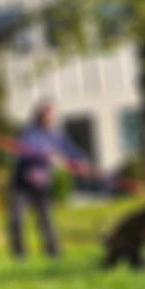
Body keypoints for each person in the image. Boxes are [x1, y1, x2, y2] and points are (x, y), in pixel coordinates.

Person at [9, 100, 90, 259]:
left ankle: (53, 251)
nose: (52, 118)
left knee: (46, 218)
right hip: (22, 183)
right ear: (41, 114)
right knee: (17, 219)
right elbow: (24, 151)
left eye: (54, 115)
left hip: (42, 183)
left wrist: (80, 162)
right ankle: (20, 254)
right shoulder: (28, 132)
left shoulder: (56, 135)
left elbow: (70, 150)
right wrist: (46, 156)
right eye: (49, 114)